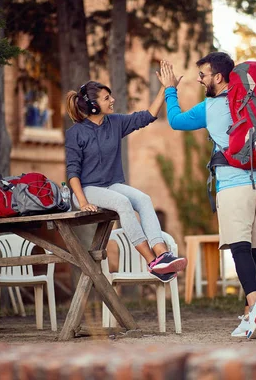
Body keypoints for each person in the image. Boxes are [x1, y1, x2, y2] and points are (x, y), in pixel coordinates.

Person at [157, 52, 256, 339]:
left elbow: (175, 120)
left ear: (218, 77)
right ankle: (250, 318)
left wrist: (169, 89)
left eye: (203, 75)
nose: (200, 80)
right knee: (253, 250)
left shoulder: (211, 106)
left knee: (239, 248)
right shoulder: (253, 101)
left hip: (234, 185)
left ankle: (255, 304)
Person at [65, 80, 187, 282]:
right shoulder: (76, 133)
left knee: (143, 199)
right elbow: (72, 172)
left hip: (111, 185)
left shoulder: (115, 123)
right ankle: (152, 263)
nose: (112, 100)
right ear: (93, 105)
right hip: (86, 190)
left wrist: (165, 89)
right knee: (123, 203)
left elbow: (147, 116)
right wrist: (83, 202)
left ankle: (162, 254)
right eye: (106, 98)